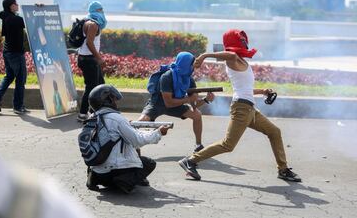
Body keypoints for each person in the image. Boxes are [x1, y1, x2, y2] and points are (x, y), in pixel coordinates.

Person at [0, 26, 94, 218]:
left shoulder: (5, 20)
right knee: (18, 80)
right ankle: (16, 104)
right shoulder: (36, 199)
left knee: (8, 76)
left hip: (8, 55)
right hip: (16, 56)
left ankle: (6, 97)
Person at [178, 29, 301, 182]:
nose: (244, 41)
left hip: (250, 108)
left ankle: (283, 169)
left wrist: (262, 91)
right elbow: (230, 55)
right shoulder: (232, 59)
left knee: (274, 132)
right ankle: (190, 161)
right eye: (241, 39)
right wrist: (204, 55)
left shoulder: (241, 61)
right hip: (242, 108)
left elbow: (244, 88)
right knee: (228, 145)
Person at [83, 84, 170, 193]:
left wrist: (128, 126)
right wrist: (158, 133)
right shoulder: (117, 118)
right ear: (108, 100)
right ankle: (125, 181)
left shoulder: (91, 118)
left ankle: (93, 177)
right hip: (115, 172)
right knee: (149, 163)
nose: (116, 102)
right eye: (114, 99)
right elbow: (137, 140)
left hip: (99, 172)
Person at [138, 51, 215, 153]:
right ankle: (133, 146)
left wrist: (206, 100)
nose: (193, 67)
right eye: (192, 64)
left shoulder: (189, 80)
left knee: (197, 115)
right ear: (185, 64)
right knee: (141, 121)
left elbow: (194, 105)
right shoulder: (166, 77)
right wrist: (188, 99)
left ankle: (198, 145)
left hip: (176, 105)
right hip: (157, 104)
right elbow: (168, 103)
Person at [0, 0, 29, 115]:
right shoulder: (16, 19)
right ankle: (18, 106)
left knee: (9, 76)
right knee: (20, 78)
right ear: (10, 6)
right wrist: (38, 9)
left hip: (7, 52)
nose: (17, 5)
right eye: (15, 4)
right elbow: (30, 22)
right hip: (16, 53)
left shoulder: (5, 17)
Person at [77, 1, 108, 122]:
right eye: (101, 9)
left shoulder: (87, 21)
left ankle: (95, 111)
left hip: (86, 58)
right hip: (89, 59)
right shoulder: (93, 24)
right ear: (96, 10)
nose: (102, 11)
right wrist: (99, 58)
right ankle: (83, 113)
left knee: (100, 84)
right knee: (91, 87)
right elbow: (89, 43)